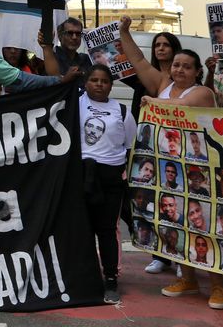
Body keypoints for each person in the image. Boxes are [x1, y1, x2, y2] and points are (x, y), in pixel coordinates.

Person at [122, 16, 223, 308]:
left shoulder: (203, 92)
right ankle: (189, 279)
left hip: (199, 172)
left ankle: (218, 285)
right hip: (169, 169)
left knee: (204, 226)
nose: (180, 69)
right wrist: (124, 32)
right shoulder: (163, 85)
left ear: (196, 71)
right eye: (177, 65)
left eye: (186, 66)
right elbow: (139, 61)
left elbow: (184, 106)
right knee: (178, 224)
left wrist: (153, 102)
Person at [79, 64, 136, 304]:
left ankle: (110, 278)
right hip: (81, 175)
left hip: (111, 177)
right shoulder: (75, 104)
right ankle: (82, 276)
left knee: (106, 230)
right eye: (94, 80)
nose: (99, 85)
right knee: (80, 228)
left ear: (111, 85)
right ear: (85, 83)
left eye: (104, 81)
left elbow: (129, 143)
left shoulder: (122, 111)